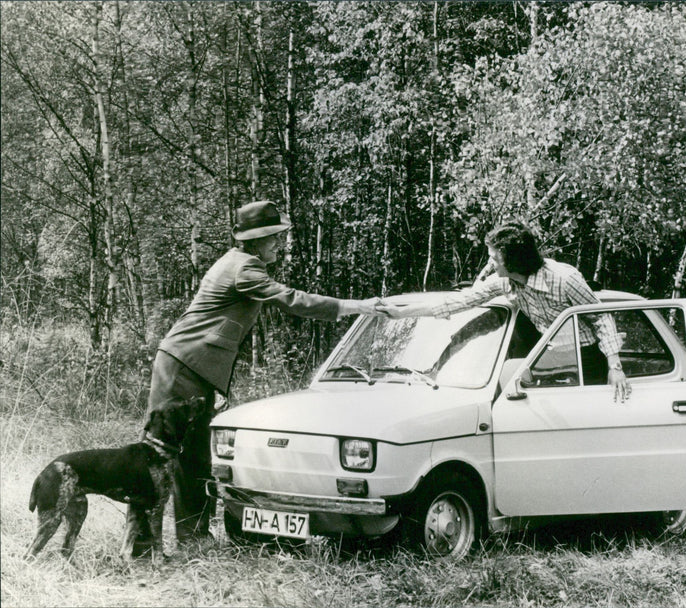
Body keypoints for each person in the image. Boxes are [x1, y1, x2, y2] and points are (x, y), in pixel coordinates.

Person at [127, 201, 383, 555]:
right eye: (274, 237)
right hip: (182, 365)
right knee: (161, 454)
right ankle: (143, 545)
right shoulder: (244, 267)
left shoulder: (241, 262)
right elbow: (291, 299)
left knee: (197, 456)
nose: (279, 244)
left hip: (191, 367)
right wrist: (353, 306)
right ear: (254, 241)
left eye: (280, 236)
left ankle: (193, 539)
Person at [378, 221, 632, 402]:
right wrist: (400, 313)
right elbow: (458, 302)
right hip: (550, 361)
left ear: (513, 261)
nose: (490, 263)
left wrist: (615, 367)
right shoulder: (506, 281)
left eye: (494, 258)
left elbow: (601, 316)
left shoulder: (564, 279)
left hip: (587, 358)